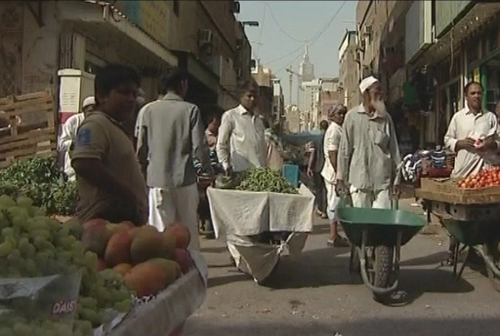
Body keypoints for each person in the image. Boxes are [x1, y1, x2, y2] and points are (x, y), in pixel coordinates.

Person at [136, 68, 212, 250]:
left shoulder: (147, 110)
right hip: (185, 180)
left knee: (160, 232)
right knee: (188, 232)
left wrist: (143, 170)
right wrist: (207, 170)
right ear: (182, 84)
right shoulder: (190, 110)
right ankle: (192, 270)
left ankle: (162, 270)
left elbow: (140, 148)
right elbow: (199, 148)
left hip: (157, 180)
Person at [71, 64, 147, 225]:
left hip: (121, 225)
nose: (131, 99)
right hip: (103, 225)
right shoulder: (95, 124)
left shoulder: (113, 125)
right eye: (124, 92)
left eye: (134, 94)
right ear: (102, 95)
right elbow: (83, 163)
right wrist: (126, 195)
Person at [444, 81, 499, 264]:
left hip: (485, 175)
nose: (477, 96)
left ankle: (487, 247)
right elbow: (447, 139)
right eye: (473, 93)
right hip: (464, 174)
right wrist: (460, 144)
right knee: (459, 217)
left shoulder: (490, 117)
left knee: (488, 216)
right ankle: (453, 249)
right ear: (466, 96)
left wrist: (490, 144)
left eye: (479, 93)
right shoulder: (458, 118)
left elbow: (498, 141)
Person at [336, 76, 401, 210]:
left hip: (382, 182)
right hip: (359, 181)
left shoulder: (385, 118)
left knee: (381, 224)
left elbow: (394, 150)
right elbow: (344, 151)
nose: (381, 94)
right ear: (366, 93)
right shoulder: (352, 117)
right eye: (377, 91)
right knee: (362, 224)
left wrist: (397, 179)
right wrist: (340, 178)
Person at [217, 81, 266, 175]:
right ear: (241, 96)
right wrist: (226, 166)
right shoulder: (231, 116)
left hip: (259, 174)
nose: (252, 99)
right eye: (249, 96)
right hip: (239, 172)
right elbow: (221, 144)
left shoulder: (259, 121)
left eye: (255, 96)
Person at [322, 104, 349, 247]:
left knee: (338, 204)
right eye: (339, 114)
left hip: (337, 173)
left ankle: (336, 234)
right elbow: (333, 154)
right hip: (333, 174)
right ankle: (333, 236)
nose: (342, 116)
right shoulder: (333, 131)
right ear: (332, 116)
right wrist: (340, 176)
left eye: (343, 114)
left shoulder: (339, 129)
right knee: (334, 203)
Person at [58, 96, 96, 181]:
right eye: (90, 111)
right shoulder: (73, 121)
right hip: (73, 171)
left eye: (95, 111)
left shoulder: (99, 123)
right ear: (84, 110)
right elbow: (61, 144)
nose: (92, 113)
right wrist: (76, 143)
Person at [307, 120, 329, 218]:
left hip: (317, 168)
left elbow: (313, 154)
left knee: (319, 190)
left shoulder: (315, 140)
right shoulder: (329, 138)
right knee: (326, 189)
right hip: (327, 168)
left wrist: (309, 167)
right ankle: (327, 209)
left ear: (320, 128)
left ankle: (321, 209)